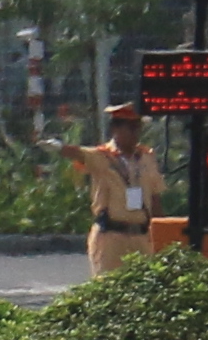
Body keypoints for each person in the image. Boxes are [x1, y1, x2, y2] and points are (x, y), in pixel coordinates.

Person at [64, 105, 159, 275]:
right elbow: (78, 153)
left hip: (141, 236)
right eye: (130, 127)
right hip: (111, 236)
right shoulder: (102, 156)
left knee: (143, 288)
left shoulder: (146, 157)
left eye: (138, 127)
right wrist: (56, 147)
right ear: (116, 128)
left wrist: (161, 230)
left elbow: (155, 195)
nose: (135, 133)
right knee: (109, 286)